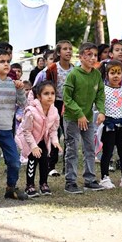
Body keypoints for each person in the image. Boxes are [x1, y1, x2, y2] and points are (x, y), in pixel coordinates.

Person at [0, 49, 28, 200]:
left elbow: (23, 104)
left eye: (8, 61)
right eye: (2, 61)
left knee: (14, 161)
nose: (6, 64)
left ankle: (11, 188)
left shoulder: (13, 84)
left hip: (7, 130)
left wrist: (21, 90)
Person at [62, 42, 106, 194]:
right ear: (80, 57)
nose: (93, 58)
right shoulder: (73, 75)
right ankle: (70, 182)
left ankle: (90, 179)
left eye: (95, 55)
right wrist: (79, 114)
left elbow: (100, 93)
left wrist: (101, 110)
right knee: (72, 149)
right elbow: (67, 98)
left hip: (87, 118)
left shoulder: (96, 74)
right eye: (89, 55)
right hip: (72, 118)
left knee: (90, 148)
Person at [17, 81, 60, 197]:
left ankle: (44, 184)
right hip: (29, 139)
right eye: (46, 93)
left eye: (52, 93)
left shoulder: (54, 111)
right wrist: (33, 146)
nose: (50, 96)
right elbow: (26, 131)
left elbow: (53, 129)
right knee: (32, 160)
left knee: (44, 161)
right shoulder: (31, 111)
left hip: (43, 140)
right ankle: (29, 185)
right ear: (39, 96)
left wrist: (55, 141)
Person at [98, 60, 122, 189]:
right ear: (107, 74)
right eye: (112, 73)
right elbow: (99, 105)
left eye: (119, 73)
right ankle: (104, 177)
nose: (116, 76)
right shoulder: (103, 89)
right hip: (109, 125)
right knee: (107, 152)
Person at [45, 40, 74, 177]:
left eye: (70, 49)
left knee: (69, 135)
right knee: (54, 134)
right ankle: (51, 165)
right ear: (58, 52)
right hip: (55, 104)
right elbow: (47, 86)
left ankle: (67, 165)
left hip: (69, 104)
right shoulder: (52, 69)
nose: (68, 51)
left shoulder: (75, 69)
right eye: (65, 49)